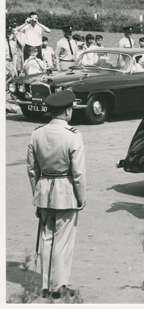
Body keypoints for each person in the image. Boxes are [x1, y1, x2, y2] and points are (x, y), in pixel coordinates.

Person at [27, 90, 86, 299]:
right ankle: (59, 285)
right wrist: (81, 196)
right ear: (67, 111)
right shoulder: (73, 135)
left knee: (47, 237)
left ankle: (45, 285)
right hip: (66, 191)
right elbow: (78, 172)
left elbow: (32, 169)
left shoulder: (37, 133)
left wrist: (37, 192)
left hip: (44, 190)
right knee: (63, 241)